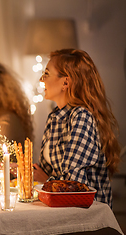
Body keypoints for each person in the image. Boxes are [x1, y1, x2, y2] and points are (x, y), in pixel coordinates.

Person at [33, 49, 121, 208]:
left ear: (65, 83)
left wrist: (45, 180)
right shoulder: (54, 117)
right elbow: (45, 171)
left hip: (88, 216)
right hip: (59, 207)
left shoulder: (81, 118)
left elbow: (73, 187)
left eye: (46, 74)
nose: (41, 79)